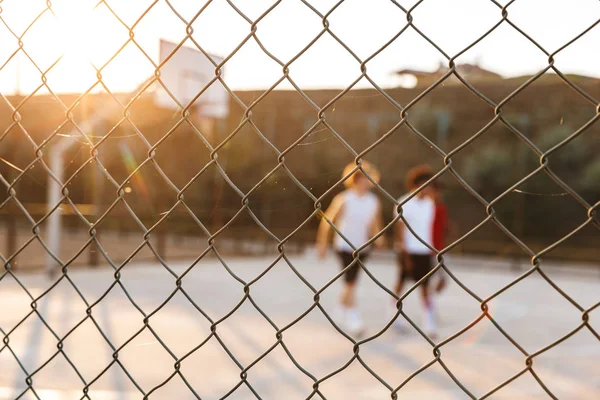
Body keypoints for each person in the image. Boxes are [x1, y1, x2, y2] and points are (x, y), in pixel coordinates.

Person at [316, 161, 385, 336]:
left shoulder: (373, 201)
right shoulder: (344, 198)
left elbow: (375, 224)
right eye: (362, 178)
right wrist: (322, 244)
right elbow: (327, 222)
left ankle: (340, 310)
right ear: (354, 180)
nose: (365, 182)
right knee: (351, 282)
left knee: (351, 283)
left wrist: (380, 240)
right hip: (344, 246)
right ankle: (354, 318)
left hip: (363, 247)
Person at [393, 165, 438, 337]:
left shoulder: (429, 204)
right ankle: (393, 314)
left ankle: (428, 321)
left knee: (425, 287)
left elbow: (427, 230)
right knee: (401, 284)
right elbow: (400, 231)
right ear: (417, 184)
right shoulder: (403, 203)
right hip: (408, 251)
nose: (429, 188)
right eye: (426, 184)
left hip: (424, 251)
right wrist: (404, 254)